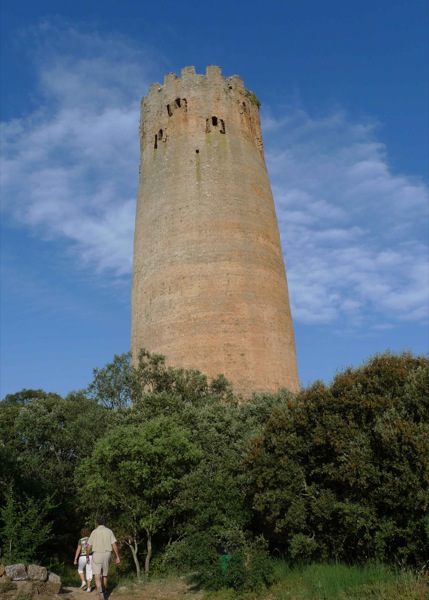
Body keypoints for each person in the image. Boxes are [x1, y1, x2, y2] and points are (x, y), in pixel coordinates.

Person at [86, 516, 120, 600]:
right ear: (104, 522)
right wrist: (117, 556)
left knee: (96, 574)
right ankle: (104, 591)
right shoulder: (109, 531)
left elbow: (88, 546)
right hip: (107, 554)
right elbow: (114, 545)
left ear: (97, 522)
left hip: (97, 554)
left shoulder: (94, 532)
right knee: (105, 574)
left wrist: (87, 556)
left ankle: (100, 593)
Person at [74, 527, 93, 592]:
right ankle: (88, 588)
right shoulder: (91, 539)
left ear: (82, 533)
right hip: (90, 556)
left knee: (80, 569)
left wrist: (75, 559)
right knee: (89, 571)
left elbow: (78, 550)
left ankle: (83, 581)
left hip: (82, 557)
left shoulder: (80, 540)